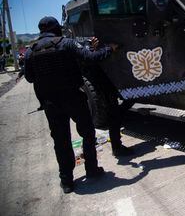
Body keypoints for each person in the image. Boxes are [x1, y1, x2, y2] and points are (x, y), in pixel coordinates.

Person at [24, 16, 117, 194]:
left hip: (50, 102)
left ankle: (66, 181)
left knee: (61, 140)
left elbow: (29, 78)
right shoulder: (67, 43)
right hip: (73, 97)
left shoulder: (31, 51)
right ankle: (92, 170)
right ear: (57, 28)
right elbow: (90, 57)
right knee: (87, 133)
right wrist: (109, 49)